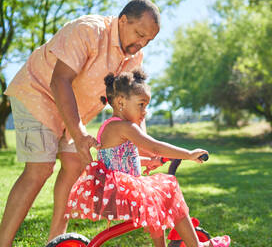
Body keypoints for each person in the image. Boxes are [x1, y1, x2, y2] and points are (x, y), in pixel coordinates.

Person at [0, 0, 161, 246]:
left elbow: (130, 108)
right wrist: (78, 132)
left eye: (148, 40)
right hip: (39, 92)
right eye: (139, 34)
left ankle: (57, 241)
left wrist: (142, 152)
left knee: (75, 163)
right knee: (40, 168)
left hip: (75, 107)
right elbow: (60, 81)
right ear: (123, 20)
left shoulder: (133, 56)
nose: (141, 43)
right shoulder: (88, 30)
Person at [63, 69, 230, 247]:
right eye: (141, 104)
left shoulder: (108, 127)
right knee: (168, 188)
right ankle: (197, 245)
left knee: (155, 198)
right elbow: (154, 146)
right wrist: (188, 154)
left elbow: (117, 162)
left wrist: (150, 161)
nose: (145, 111)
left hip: (111, 192)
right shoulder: (125, 127)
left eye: (146, 105)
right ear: (120, 102)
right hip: (120, 195)